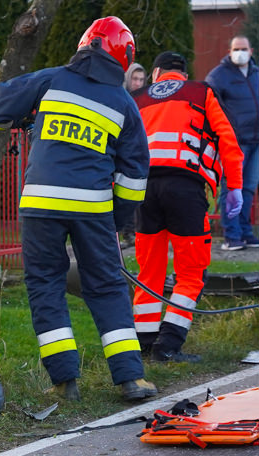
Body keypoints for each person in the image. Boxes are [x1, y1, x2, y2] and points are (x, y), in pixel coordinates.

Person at [0, 16, 156, 402]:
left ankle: (65, 383)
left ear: (84, 45)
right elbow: (135, 174)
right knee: (108, 286)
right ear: (123, 58)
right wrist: (119, 222)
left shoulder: (51, 80)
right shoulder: (124, 104)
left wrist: (27, 116)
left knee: (45, 283)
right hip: (93, 208)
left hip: (40, 204)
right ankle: (131, 379)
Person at [132, 51, 243, 364]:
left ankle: (144, 343)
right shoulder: (201, 92)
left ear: (156, 73)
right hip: (186, 189)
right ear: (182, 73)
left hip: (144, 191)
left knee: (149, 271)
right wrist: (233, 187)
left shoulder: (137, 97)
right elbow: (228, 141)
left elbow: (121, 147)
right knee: (191, 272)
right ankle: (168, 346)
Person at [206, 35, 258, 251]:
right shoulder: (219, 76)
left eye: (243, 48)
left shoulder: (256, 74)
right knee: (232, 188)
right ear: (229, 51)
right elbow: (210, 106)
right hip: (234, 143)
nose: (240, 52)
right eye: (236, 48)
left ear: (251, 51)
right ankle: (231, 235)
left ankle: (245, 232)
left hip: (256, 141)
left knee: (248, 188)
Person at [119, 62, 148, 247]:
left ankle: (134, 232)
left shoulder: (146, 99)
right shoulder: (121, 98)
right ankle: (127, 232)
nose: (138, 83)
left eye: (141, 79)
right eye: (134, 78)